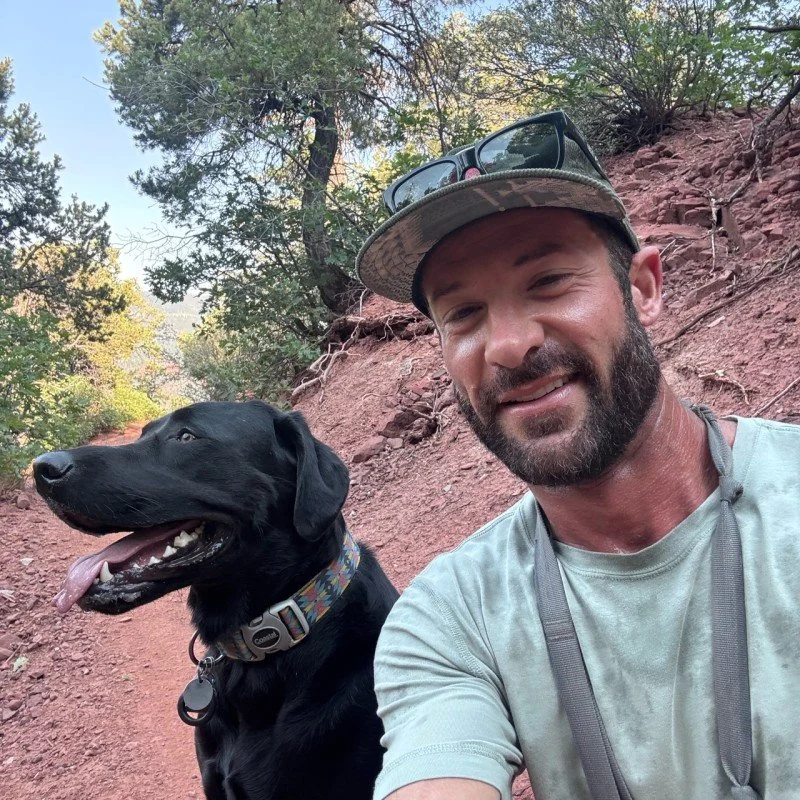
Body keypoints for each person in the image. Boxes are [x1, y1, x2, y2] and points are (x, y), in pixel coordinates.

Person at [354, 111, 800, 800]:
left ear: (644, 288)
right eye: (463, 314)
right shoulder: (449, 616)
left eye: (550, 282)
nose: (506, 344)